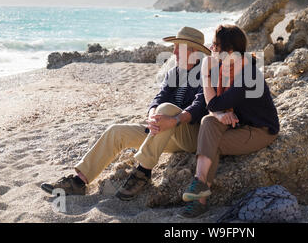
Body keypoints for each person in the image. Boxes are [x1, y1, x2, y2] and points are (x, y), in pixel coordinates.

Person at [40, 26, 211, 201]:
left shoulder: (207, 73)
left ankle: (143, 172)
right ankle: (79, 182)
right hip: (164, 132)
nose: (174, 52)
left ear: (194, 51)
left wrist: (173, 120)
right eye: (174, 47)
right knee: (116, 131)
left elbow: (199, 105)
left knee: (166, 109)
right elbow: (159, 98)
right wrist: (152, 115)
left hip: (190, 135)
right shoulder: (174, 73)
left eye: (179, 47)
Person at [178, 24, 280, 218]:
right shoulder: (225, 68)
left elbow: (214, 102)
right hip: (237, 124)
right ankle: (200, 184)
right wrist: (217, 115)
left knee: (210, 142)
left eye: (215, 45)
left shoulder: (247, 73)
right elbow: (215, 108)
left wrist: (206, 72)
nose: (211, 48)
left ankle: (199, 195)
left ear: (230, 51)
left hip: (259, 131)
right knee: (208, 122)